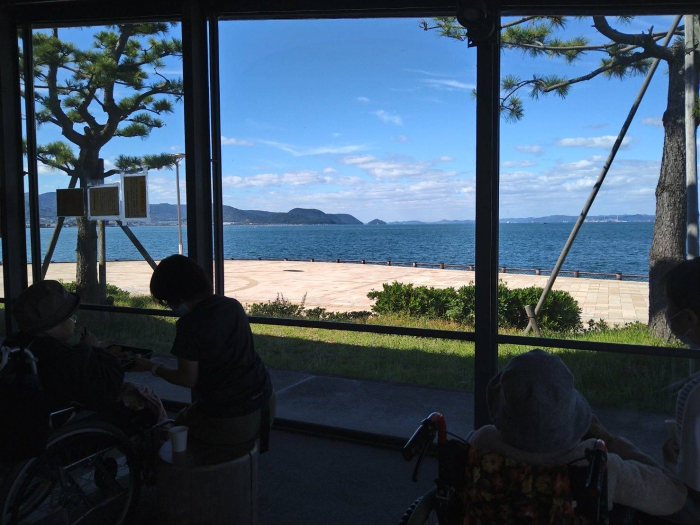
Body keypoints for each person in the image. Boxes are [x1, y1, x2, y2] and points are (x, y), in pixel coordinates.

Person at [468, 349, 687, 518]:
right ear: (571, 416)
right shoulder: (598, 465)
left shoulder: (481, 445)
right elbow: (675, 495)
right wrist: (610, 441)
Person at [131, 255, 275, 450]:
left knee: (177, 428)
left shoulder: (189, 325)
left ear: (176, 295)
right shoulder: (232, 305)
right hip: (265, 404)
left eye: (167, 300)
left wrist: (152, 367)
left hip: (233, 418)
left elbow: (187, 378)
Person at [6, 280, 161, 435]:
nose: (74, 319)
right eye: (70, 317)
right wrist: (94, 349)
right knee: (145, 398)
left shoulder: (16, 345)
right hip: (66, 420)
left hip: (24, 419)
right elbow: (109, 387)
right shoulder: (61, 355)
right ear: (51, 327)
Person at [663, 258, 700, 496]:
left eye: (668, 306)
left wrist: (673, 463)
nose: (667, 314)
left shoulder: (694, 395)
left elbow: (691, 490)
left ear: (689, 318)